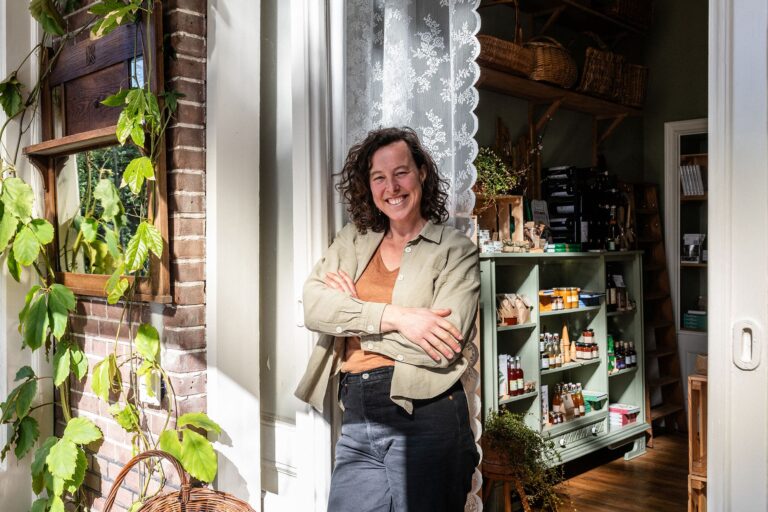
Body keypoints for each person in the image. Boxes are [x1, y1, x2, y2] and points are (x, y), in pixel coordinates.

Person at [295, 127, 480, 512]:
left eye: (401, 172)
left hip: (428, 412)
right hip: (358, 413)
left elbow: (443, 346)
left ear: (422, 174)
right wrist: (397, 317)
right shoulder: (353, 240)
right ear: (368, 186)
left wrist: (351, 320)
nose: (391, 187)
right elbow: (314, 306)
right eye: (379, 177)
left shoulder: (454, 250)